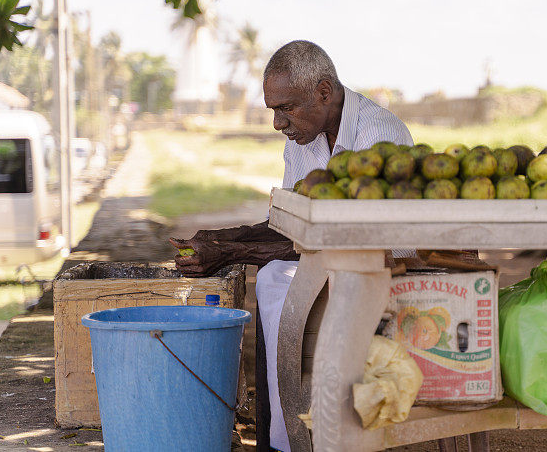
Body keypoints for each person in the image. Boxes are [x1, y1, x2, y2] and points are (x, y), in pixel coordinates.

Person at [169, 40, 413, 451]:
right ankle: (283, 436)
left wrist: (232, 250)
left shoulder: (379, 134)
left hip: (383, 262)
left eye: (286, 108)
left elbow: (349, 236)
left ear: (322, 92)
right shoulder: (304, 137)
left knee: (275, 278)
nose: (279, 123)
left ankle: (297, 434)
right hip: (334, 259)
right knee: (271, 277)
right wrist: (222, 240)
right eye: (274, 111)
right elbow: (290, 223)